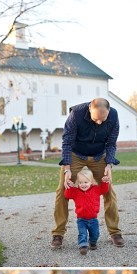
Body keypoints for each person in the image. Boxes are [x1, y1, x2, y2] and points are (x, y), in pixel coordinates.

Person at [51, 98, 124, 250]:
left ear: (108, 112)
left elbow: (111, 143)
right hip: (76, 154)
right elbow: (67, 142)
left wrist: (109, 164)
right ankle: (58, 233)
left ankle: (115, 232)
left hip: (99, 155)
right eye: (96, 119)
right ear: (90, 109)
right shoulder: (76, 114)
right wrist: (67, 169)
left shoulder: (114, 116)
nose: (99, 123)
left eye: (102, 120)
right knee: (63, 190)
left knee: (108, 189)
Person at [64, 167, 109, 254]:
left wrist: (104, 182)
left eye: (86, 182)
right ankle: (83, 246)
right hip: (81, 219)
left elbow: (104, 189)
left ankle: (92, 243)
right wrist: (69, 186)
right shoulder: (76, 191)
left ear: (91, 182)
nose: (83, 184)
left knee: (95, 234)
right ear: (78, 182)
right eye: (80, 182)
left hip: (93, 219)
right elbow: (67, 195)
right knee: (82, 234)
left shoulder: (96, 189)